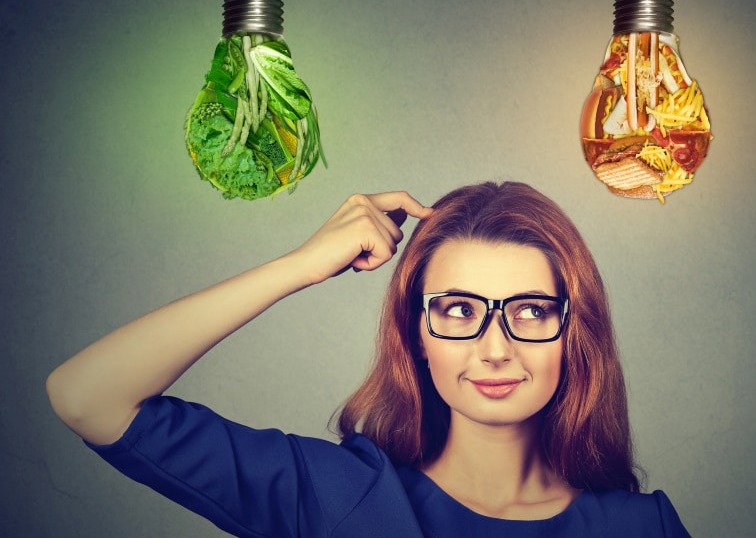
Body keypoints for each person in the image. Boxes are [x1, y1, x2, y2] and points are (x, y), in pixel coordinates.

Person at [46, 181, 691, 537]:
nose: (496, 349)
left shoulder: (644, 527)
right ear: (416, 332)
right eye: (460, 310)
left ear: (573, 330)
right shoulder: (336, 495)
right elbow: (86, 396)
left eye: (529, 311)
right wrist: (300, 266)